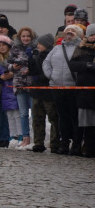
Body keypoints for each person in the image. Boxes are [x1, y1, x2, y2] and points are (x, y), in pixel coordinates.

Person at [44, 23, 82, 155]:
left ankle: (76, 144)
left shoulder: (80, 48)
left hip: (73, 87)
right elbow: (46, 63)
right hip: (57, 87)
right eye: (68, 30)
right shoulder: (57, 48)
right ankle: (64, 143)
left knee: (75, 116)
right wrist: (51, 76)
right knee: (62, 116)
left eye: (73, 31)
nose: (69, 32)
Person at [67, 27, 95, 157]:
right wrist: (87, 66)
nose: (93, 37)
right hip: (84, 92)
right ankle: (89, 149)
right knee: (87, 124)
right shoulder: (81, 48)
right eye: (92, 35)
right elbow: (72, 65)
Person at [28, 34, 59, 153]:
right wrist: (31, 58)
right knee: (37, 118)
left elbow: (48, 73)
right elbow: (33, 71)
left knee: (53, 118)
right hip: (37, 91)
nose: (38, 45)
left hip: (48, 92)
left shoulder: (52, 56)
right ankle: (38, 142)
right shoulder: (38, 55)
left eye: (40, 43)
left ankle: (55, 143)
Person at [8, 26, 36, 150]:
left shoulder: (36, 48)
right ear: (20, 37)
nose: (26, 38)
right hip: (19, 84)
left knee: (34, 113)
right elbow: (7, 63)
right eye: (23, 36)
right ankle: (25, 137)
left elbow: (38, 63)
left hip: (32, 84)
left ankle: (36, 137)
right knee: (23, 113)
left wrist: (31, 68)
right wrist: (13, 67)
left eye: (28, 36)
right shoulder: (14, 48)